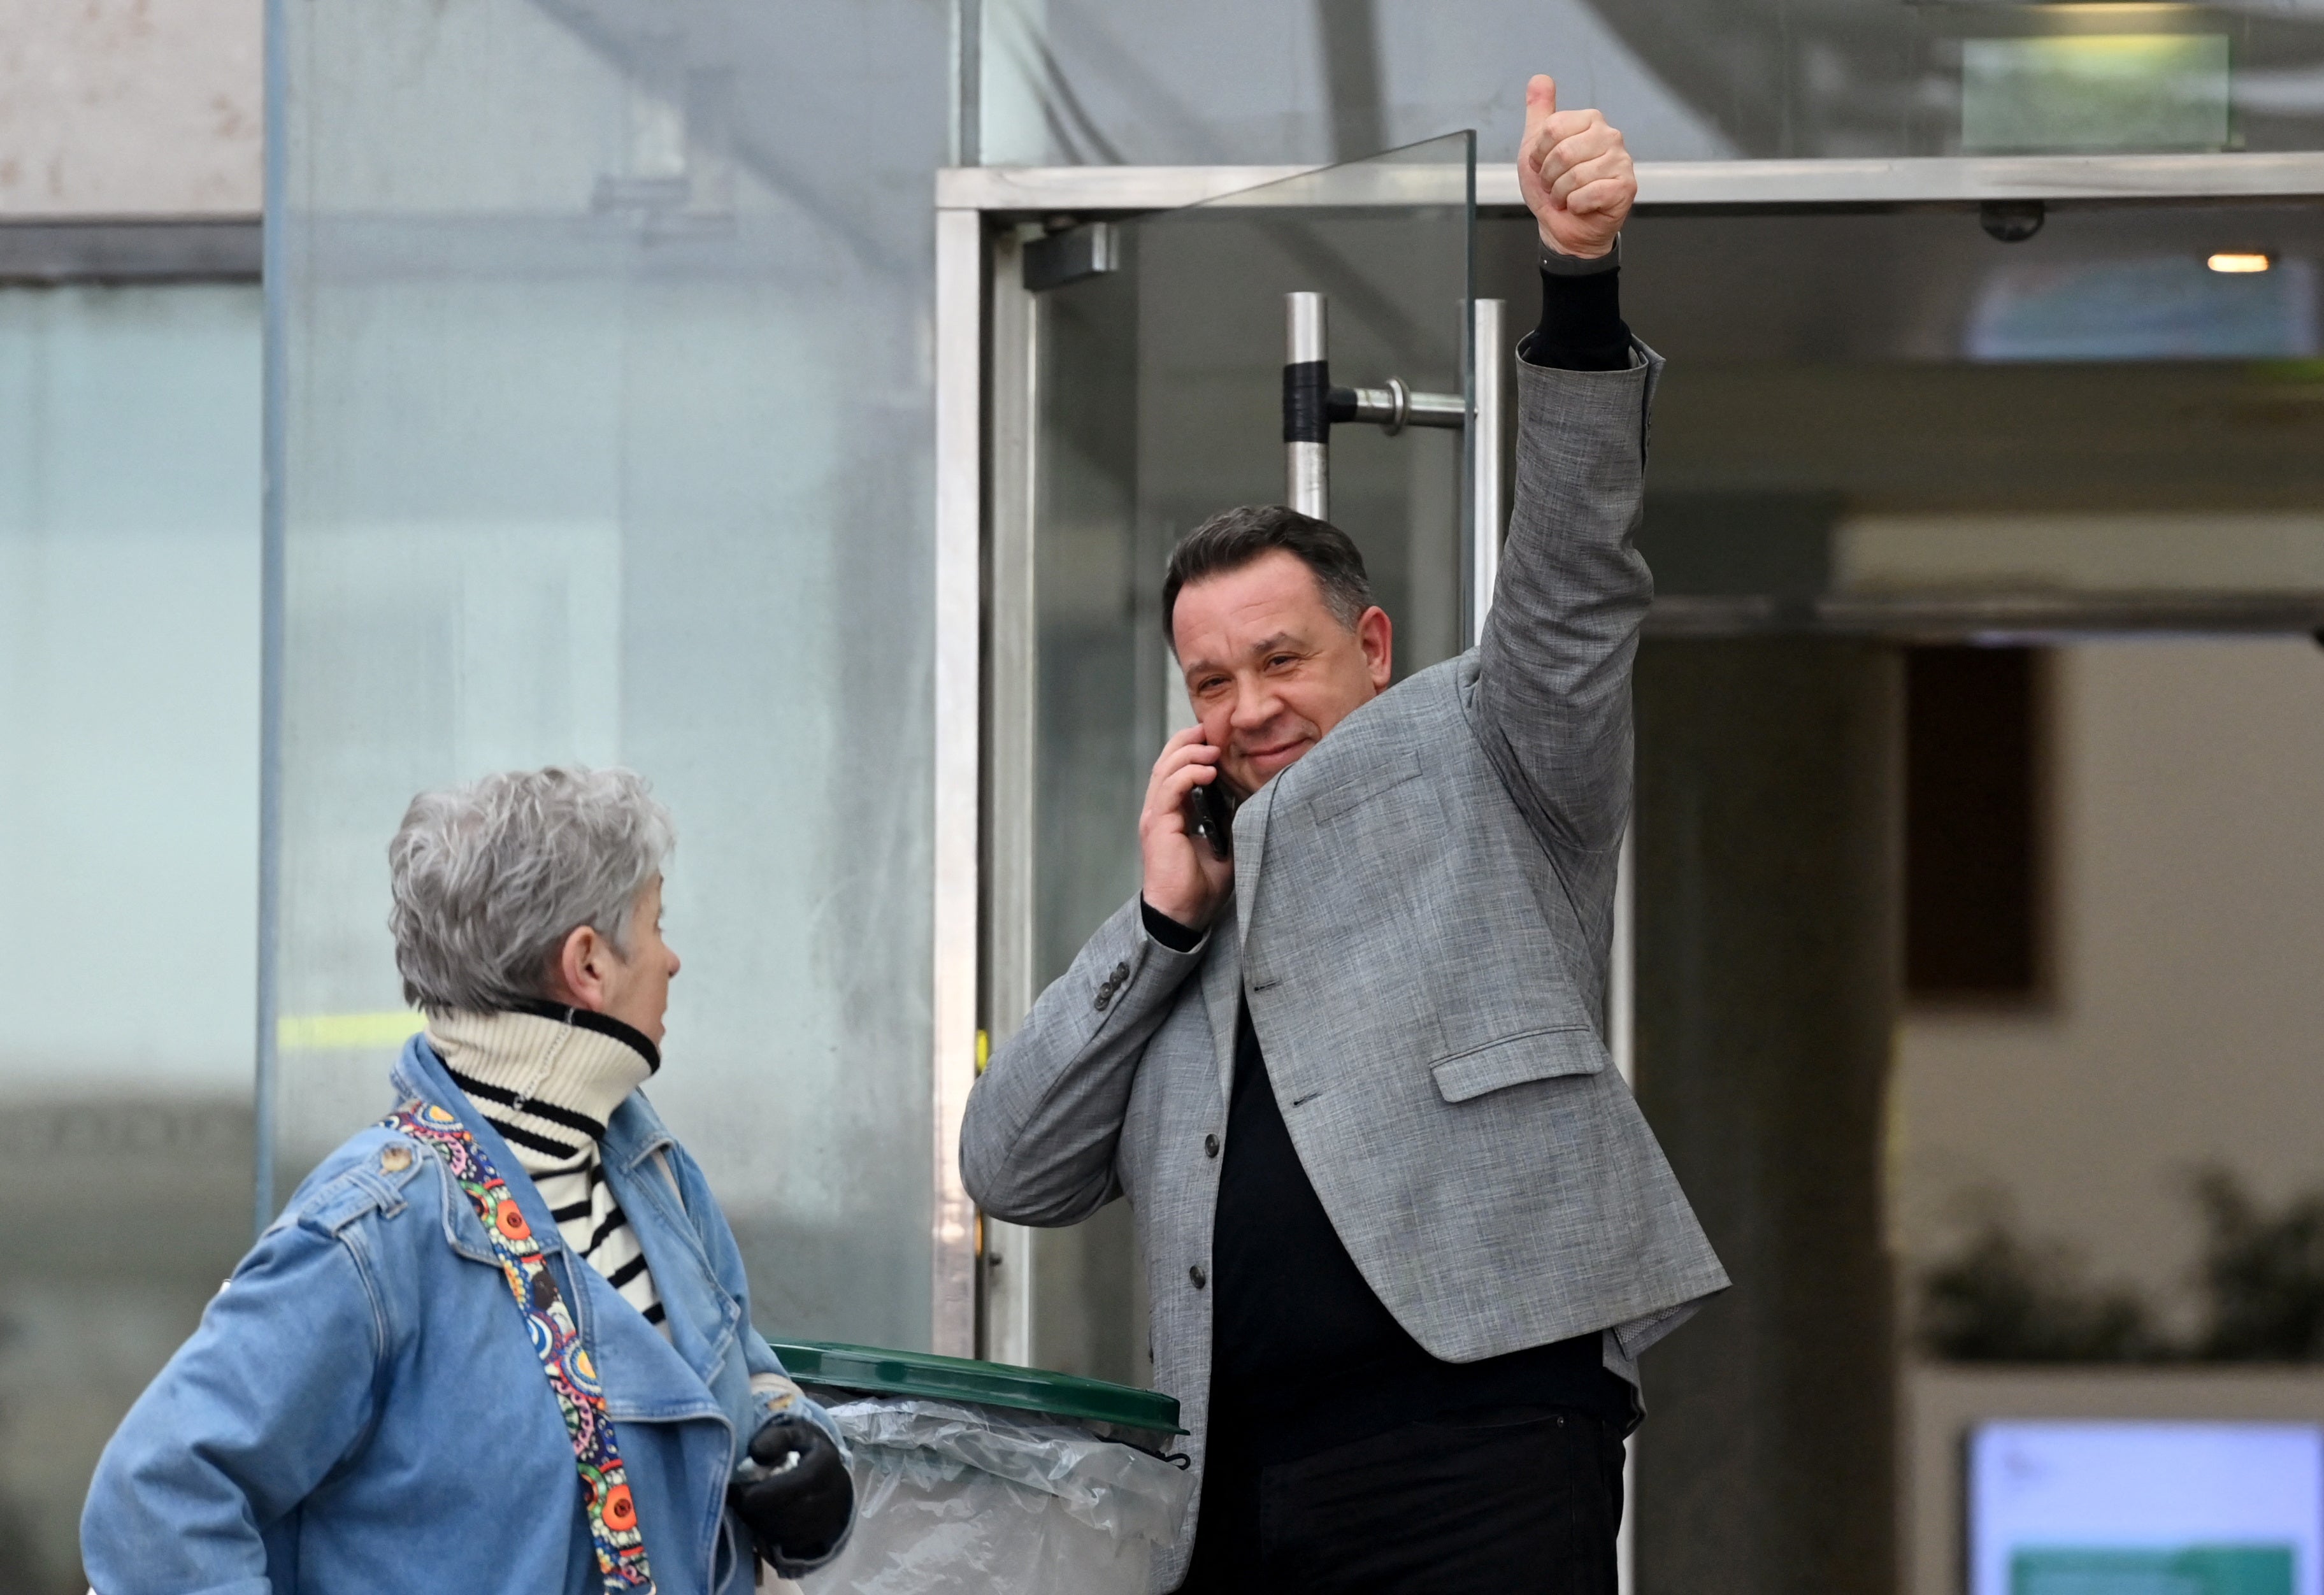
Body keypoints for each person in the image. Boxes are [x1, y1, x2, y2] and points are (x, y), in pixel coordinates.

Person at [960, 76, 1728, 1593]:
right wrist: (1162, 924)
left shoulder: (1493, 747)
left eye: (1281, 659)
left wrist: (1577, 278)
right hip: (1231, 1492)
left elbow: (1575, 575)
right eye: (1210, 680)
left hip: (1481, 1447)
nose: (1247, 706)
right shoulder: (1186, 900)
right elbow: (1012, 1166)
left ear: (1372, 645)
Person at [82, 766, 856, 1595]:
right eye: (657, 923)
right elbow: (155, 1502)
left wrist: (798, 1449)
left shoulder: (652, 1171)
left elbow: (747, 1372)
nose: (673, 959)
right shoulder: (370, 1234)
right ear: (588, 963)